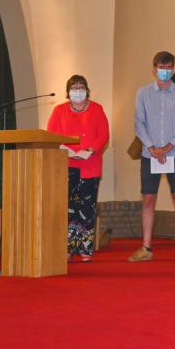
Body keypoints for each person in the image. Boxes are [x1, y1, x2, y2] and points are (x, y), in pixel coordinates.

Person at [129, 51, 175, 262]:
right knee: (148, 199)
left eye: (169, 68)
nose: (165, 71)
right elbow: (139, 123)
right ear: (154, 68)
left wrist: (167, 146)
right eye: (161, 67)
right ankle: (146, 247)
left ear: (173, 69)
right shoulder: (143, 93)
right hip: (151, 155)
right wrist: (152, 147)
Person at [46, 75, 110, 262]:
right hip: (66, 165)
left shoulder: (97, 109)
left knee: (87, 208)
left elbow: (104, 135)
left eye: (81, 87)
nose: (78, 91)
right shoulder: (59, 111)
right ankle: (67, 248)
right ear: (68, 92)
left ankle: (85, 249)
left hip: (90, 165)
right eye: (74, 88)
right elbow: (52, 135)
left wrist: (90, 149)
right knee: (68, 208)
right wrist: (68, 150)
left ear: (87, 90)